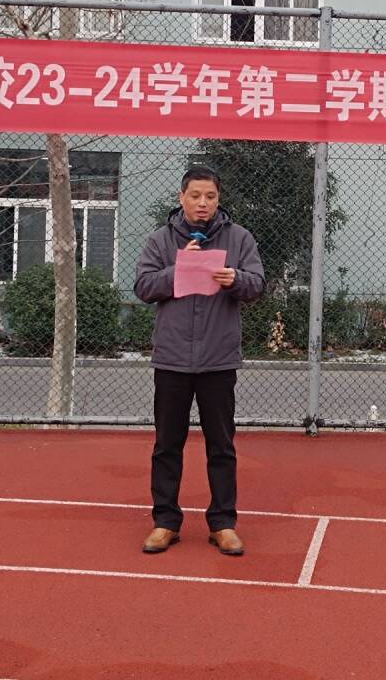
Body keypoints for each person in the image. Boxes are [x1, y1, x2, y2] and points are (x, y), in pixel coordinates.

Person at [133, 166, 265, 556]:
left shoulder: (240, 238)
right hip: (172, 358)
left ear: (218, 199)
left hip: (218, 359)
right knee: (167, 445)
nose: (202, 203)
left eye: (210, 196)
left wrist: (235, 279)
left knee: (221, 446)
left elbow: (258, 284)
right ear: (182, 198)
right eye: (195, 196)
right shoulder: (160, 240)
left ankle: (223, 524)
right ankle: (165, 522)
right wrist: (177, 270)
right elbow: (142, 286)